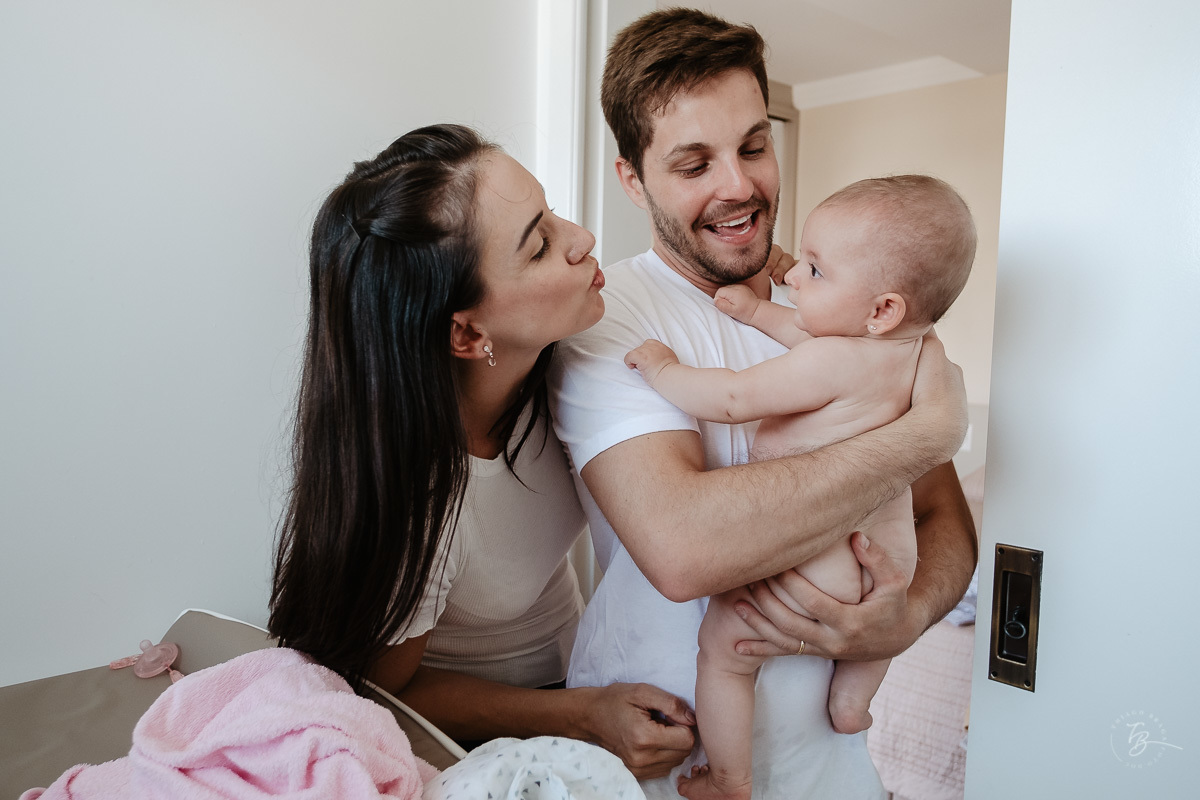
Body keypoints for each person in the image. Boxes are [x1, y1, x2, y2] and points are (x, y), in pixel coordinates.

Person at [548, 9, 978, 799]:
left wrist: (909, 614)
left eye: (753, 147)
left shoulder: (843, 298)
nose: (739, 186)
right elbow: (684, 550)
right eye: (694, 164)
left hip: (836, 775)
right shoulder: (610, 319)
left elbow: (944, 518)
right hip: (668, 772)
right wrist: (929, 431)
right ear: (633, 180)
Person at [268, 123, 697, 780]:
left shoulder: (566, 367)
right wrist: (582, 715)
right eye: (540, 245)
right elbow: (384, 693)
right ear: (467, 335)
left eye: (552, 212)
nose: (581, 238)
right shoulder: (422, 505)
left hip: (580, 677)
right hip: (476, 740)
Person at [625, 175, 978, 800]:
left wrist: (663, 369)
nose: (792, 275)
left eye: (814, 271)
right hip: (888, 563)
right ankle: (851, 703)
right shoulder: (917, 359)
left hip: (815, 561)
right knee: (874, 636)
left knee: (726, 653)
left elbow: (733, 398)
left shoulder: (830, 361)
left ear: (881, 310)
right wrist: (756, 312)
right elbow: (806, 333)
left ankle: (729, 780)